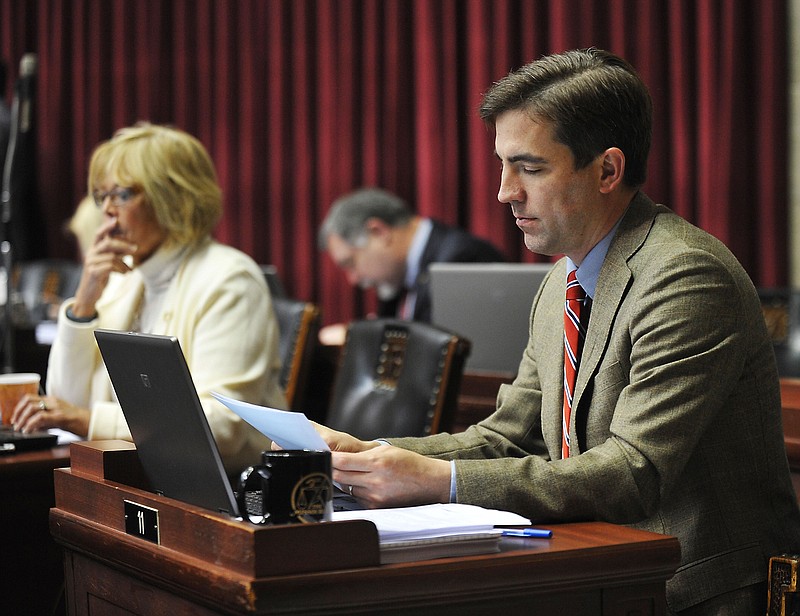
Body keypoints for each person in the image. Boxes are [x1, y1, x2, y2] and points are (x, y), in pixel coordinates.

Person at [309, 49, 800, 614]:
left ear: (607, 171)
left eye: (530, 168)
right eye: (502, 165)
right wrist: (371, 454)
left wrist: (437, 480)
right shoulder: (560, 280)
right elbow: (508, 438)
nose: (504, 191)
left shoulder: (686, 275)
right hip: (597, 574)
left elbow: (631, 473)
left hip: (693, 593)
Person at [11, 122, 287, 475]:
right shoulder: (126, 279)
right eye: (102, 196)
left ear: (173, 197)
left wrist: (89, 421)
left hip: (218, 491)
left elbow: (221, 428)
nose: (107, 210)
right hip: (134, 475)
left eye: (121, 195)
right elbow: (68, 403)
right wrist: (84, 299)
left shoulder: (229, 279)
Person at [317, 187, 505, 344]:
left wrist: (359, 337)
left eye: (350, 263)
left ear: (379, 232)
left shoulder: (461, 259)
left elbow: (439, 349)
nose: (353, 279)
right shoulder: (396, 277)